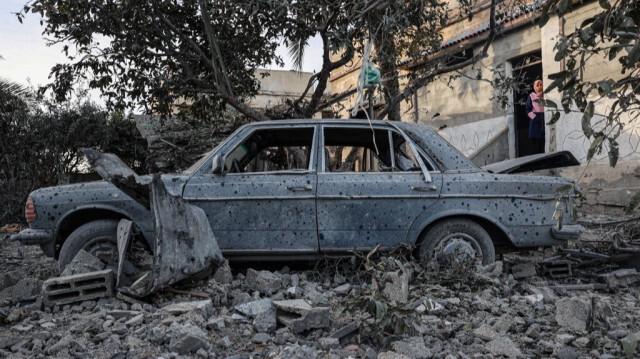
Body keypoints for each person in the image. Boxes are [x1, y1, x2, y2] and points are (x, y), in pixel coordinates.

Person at [525, 79, 545, 153]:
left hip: (543, 119)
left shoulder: (545, 95)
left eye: (541, 85)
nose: (539, 87)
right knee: (535, 141)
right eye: (537, 85)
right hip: (535, 120)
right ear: (534, 87)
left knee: (542, 141)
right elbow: (528, 109)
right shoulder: (531, 96)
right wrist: (535, 117)